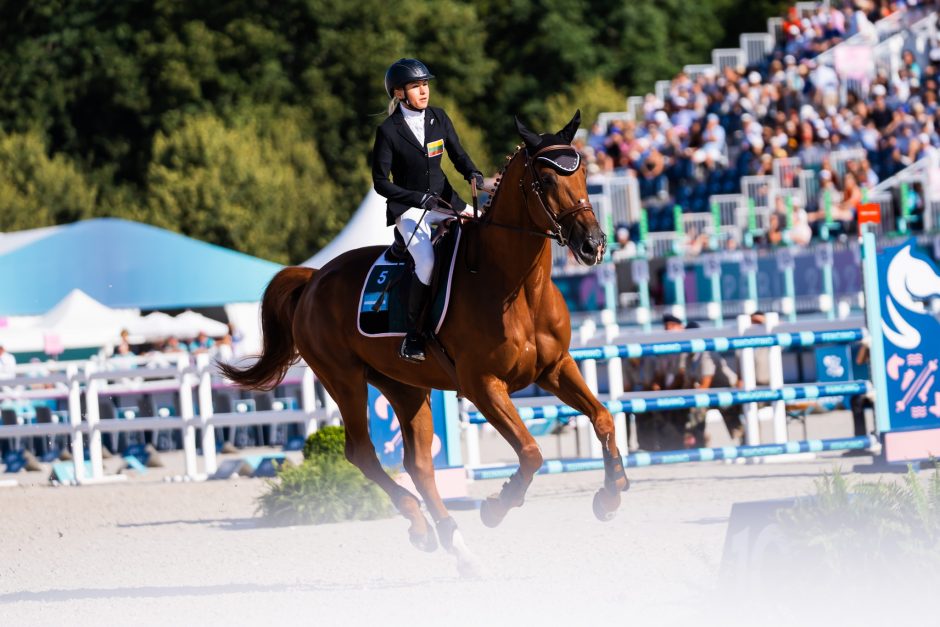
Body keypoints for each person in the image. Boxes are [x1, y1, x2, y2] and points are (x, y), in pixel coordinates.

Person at [372, 58, 484, 363]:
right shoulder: (389, 131)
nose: (423, 91)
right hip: (410, 209)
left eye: (425, 85)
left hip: (447, 202)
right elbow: (380, 183)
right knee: (426, 261)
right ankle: (414, 335)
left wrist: (473, 174)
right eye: (415, 86)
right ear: (398, 93)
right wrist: (415, 198)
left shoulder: (439, 117)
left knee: (487, 235)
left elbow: (459, 155)